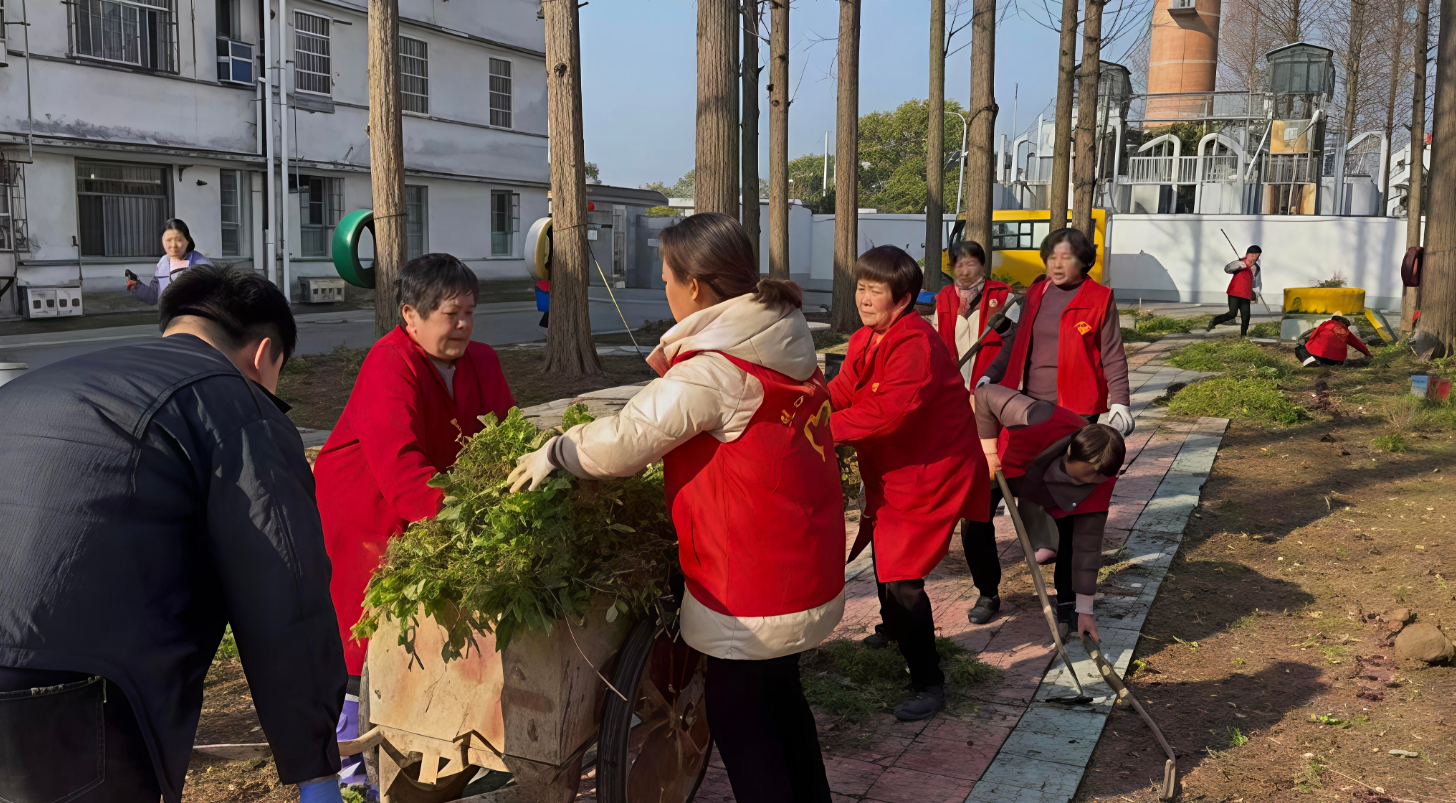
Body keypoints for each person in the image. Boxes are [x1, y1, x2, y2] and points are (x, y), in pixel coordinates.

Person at [506, 212, 844, 803]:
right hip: (802, 557)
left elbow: (624, 442)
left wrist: (557, 450)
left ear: (695, 286)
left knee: (739, 715)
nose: (664, 291)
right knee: (781, 697)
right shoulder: (780, 336)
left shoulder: (714, 369)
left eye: (666, 280)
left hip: (747, 581)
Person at [0, 266, 346, 803]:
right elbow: (284, 595)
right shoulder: (236, 403)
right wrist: (316, 772)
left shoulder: (45, 383)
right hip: (63, 692)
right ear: (264, 355)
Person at [314, 253, 514, 784]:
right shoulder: (389, 362)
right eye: (452, 314)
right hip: (365, 512)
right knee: (364, 635)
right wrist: (469, 519)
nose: (464, 325)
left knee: (431, 625)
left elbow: (504, 437)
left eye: (470, 312)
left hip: (435, 507)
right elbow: (400, 463)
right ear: (410, 315)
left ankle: (428, 737)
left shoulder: (482, 361)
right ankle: (351, 768)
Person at [829, 245, 990, 722]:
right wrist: (798, 406)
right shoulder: (867, 338)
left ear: (902, 299)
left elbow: (887, 414)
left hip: (931, 473)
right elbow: (842, 391)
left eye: (874, 291)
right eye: (860, 288)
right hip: (894, 469)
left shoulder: (916, 344)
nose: (864, 298)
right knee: (886, 556)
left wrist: (812, 431)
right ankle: (893, 630)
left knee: (902, 576)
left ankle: (927, 680)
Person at [970, 227, 1131, 625]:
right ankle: (987, 591)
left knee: (1072, 512)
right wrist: (991, 375)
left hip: (1074, 416)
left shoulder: (1099, 299)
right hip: (1022, 411)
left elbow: (1112, 354)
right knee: (979, 507)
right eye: (1051, 257)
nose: (1057, 265)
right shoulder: (1036, 293)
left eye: (1067, 257)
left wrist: (1121, 402)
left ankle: (1068, 601)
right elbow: (1014, 344)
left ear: (1085, 261)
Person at [975, 383, 1126, 641]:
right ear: (1070, 453)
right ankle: (987, 594)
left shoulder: (1102, 480)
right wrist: (988, 451)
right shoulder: (1039, 417)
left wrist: (1086, 609)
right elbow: (985, 393)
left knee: (1071, 537)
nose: (1082, 486)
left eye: (1089, 483)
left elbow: (1087, 548)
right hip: (998, 465)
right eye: (1077, 479)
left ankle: (1068, 605)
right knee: (976, 522)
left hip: (1044, 488)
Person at [933, 239, 1012, 386]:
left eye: (971, 265)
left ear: (982, 266)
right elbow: (937, 343)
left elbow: (1014, 344)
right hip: (954, 387)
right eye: (959, 265)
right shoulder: (945, 299)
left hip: (990, 385)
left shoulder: (1003, 297)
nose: (964, 272)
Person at [127, 218, 212, 305]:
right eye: (168, 240)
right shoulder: (163, 262)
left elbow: (212, 302)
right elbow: (154, 297)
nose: (173, 245)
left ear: (187, 240)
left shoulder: (203, 265)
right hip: (167, 313)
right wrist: (136, 287)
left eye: (179, 240)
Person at [1207, 245, 1262, 336]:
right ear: (1247, 254)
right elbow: (1227, 269)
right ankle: (1214, 321)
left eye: (1257, 256)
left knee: (1246, 316)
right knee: (1232, 314)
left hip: (1245, 294)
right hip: (1234, 292)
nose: (1254, 258)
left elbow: (1255, 281)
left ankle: (1243, 335)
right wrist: (1239, 266)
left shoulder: (1256, 268)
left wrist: (1255, 292)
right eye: (1253, 255)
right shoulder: (1239, 262)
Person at [1295, 315, 1371, 366]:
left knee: (1299, 348)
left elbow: (1311, 336)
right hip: (1337, 361)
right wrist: (1368, 355)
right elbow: (1359, 344)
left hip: (1319, 356)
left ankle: (1308, 362)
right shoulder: (1346, 331)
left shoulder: (1325, 325)